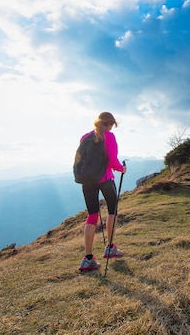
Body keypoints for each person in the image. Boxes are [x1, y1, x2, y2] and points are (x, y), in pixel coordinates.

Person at [78, 112, 127, 272]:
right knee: (112, 211)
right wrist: (122, 168)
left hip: (87, 181)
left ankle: (88, 258)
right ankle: (110, 248)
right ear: (110, 124)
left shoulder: (85, 137)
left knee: (92, 215)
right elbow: (113, 161)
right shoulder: (109, 137)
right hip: (105, 180)